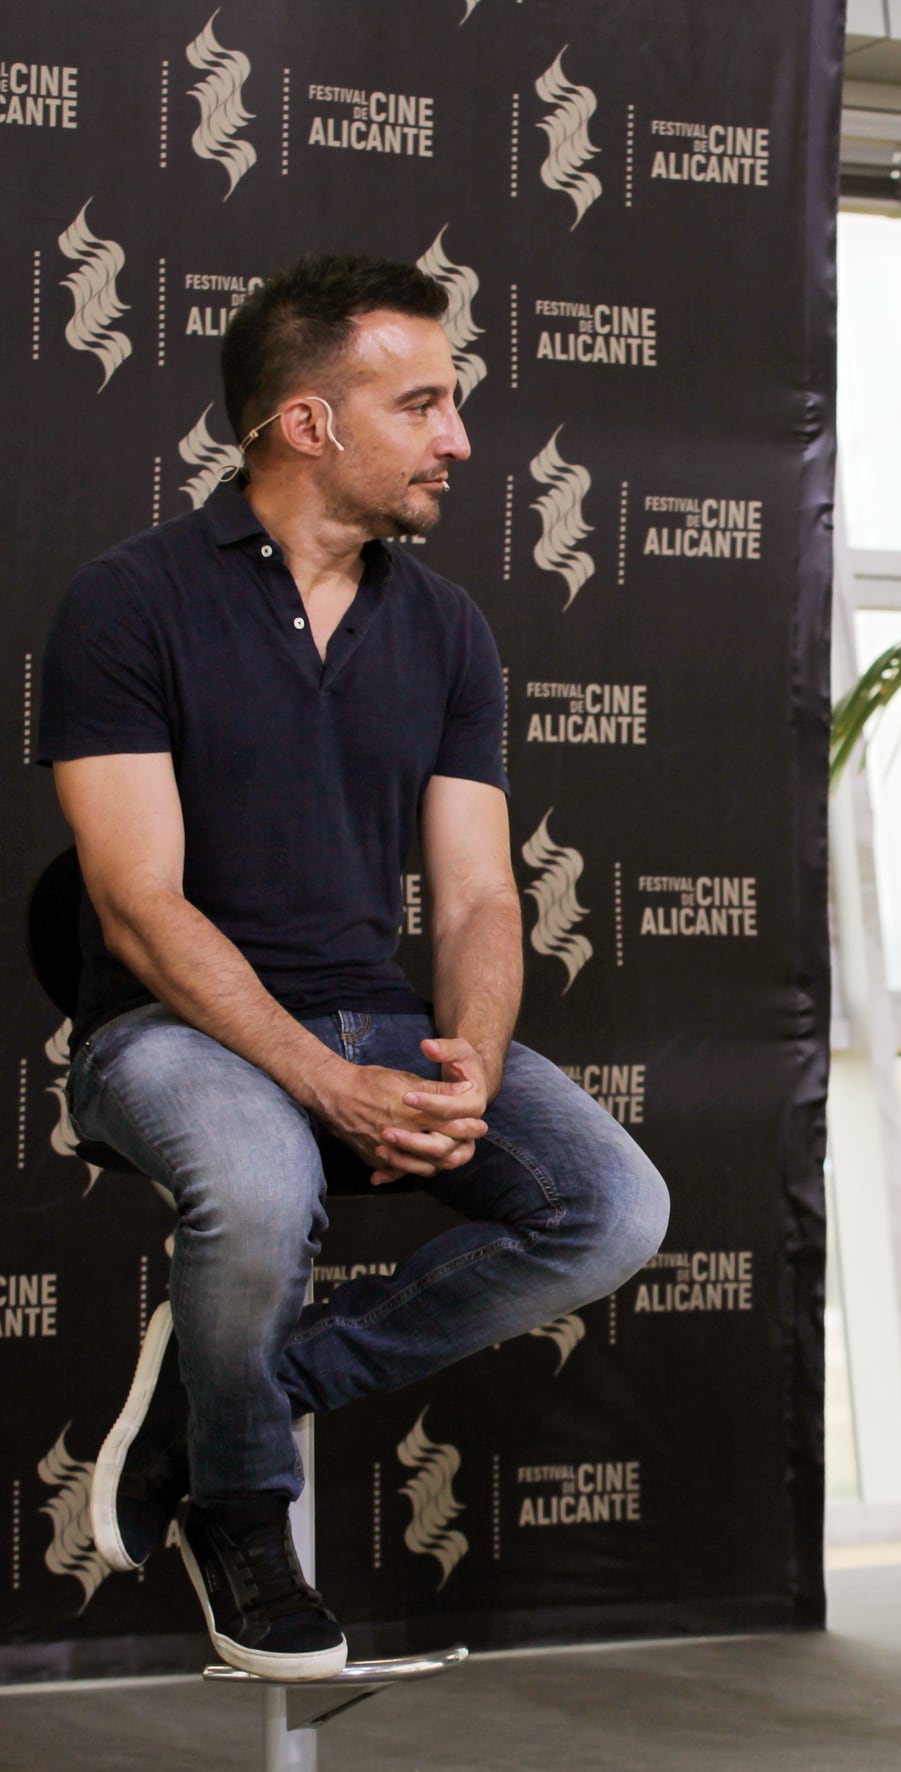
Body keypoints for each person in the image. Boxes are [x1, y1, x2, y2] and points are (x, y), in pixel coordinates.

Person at [37, 254, 669, 1679]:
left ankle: (216, 1417)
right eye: (424, 403)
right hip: (163, 1033)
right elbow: (135, 907)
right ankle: (244, 1515)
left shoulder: (443, 626)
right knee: (260, 1183)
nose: (459, 438)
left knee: (612, 1208)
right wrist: (332, 1086)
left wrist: (467, 1068)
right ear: (308, 425)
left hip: (375, 1020)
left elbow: (473, 898)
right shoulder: (127, 602)